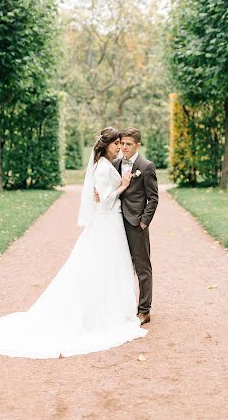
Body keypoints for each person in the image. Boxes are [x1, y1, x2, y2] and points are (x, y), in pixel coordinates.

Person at [0, 127, 147, 359]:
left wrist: (114, 189)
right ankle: (106, 314)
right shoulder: (103, 168)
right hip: (107, 224)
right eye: (116, 143)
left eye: (121, 143)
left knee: (109, 267)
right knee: (105, 267)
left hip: (110, 225)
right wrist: (124, 185)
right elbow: (105, 202)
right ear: (106, 145)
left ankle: (112, 310)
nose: (119, 147)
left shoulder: (106, 165)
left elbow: (103, 195)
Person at [96, 127, 159, 325]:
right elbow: (108, 187)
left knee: (142, 267)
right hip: (115, 222)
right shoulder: (114, 163)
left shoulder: (146, 166)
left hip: (135, 224)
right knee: (120, 266)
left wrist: (143, 222)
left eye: (128, 144)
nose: (123, 147)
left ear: (137, 145)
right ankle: (119, 308)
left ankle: (144, 310)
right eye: (121, 143)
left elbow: (153, 199)